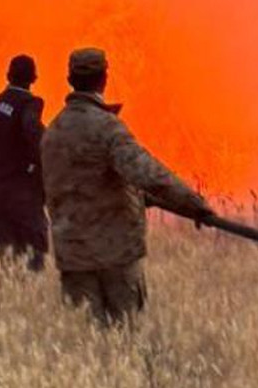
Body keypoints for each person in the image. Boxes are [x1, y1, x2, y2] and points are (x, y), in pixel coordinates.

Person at [41, 47, 215, 325]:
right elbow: (147, 173)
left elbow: (71, 185)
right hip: (114, 255)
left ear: (70, 79)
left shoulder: (52, 132)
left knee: (84, 345)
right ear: (103, 79)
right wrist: (194, 203)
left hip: (73, 256)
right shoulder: (107, 128)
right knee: (126, 339)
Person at [0, 54, 49, 270]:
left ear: (9, 75)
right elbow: (33, 133)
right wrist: (42, 161)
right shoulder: (30, 103)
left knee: (0, 260)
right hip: (20, 193)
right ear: (33, 78)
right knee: (33, 256)